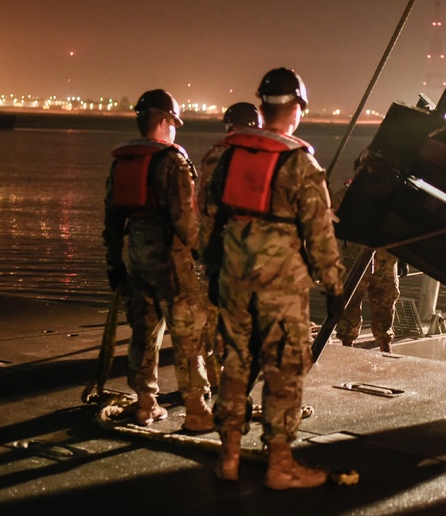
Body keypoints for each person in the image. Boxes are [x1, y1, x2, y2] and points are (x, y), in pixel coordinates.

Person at [201, 68, 345, 487]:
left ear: (262, 107)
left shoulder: (231, 155)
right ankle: (280, 465)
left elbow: (210, 218)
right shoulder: (300, 162)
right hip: (280, 286)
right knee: (284, 368)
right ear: (297, 108)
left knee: (235, 363)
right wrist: (334, 287)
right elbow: (320, 234)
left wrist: (213, 269)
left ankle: (228, 457)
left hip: (233, 277)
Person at [102, 89, 213, 431]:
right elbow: (185, 219)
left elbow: (110, 219)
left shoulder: (123, 161)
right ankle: (196, 409)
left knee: (143, 333)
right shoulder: (172, 162)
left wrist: (113, 263)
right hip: (172, 265)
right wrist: (206, 253)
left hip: (136, 261)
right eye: (175, 123)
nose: (176, 130)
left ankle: (146, 404)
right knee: (187, 335)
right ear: (164, 121)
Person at [196, 102, 263, 388]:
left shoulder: (217, 155)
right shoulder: (232, 157)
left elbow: (202, 209)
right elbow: (212, 211)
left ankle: (218, 383)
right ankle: (221, 386)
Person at [333, 154, 404, 353]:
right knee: (350, 304)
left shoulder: (391, 197)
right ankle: (348, 343)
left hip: (384, 262)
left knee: (385, 304)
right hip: (354, 261)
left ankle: (384, 343)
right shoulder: (345, 195)